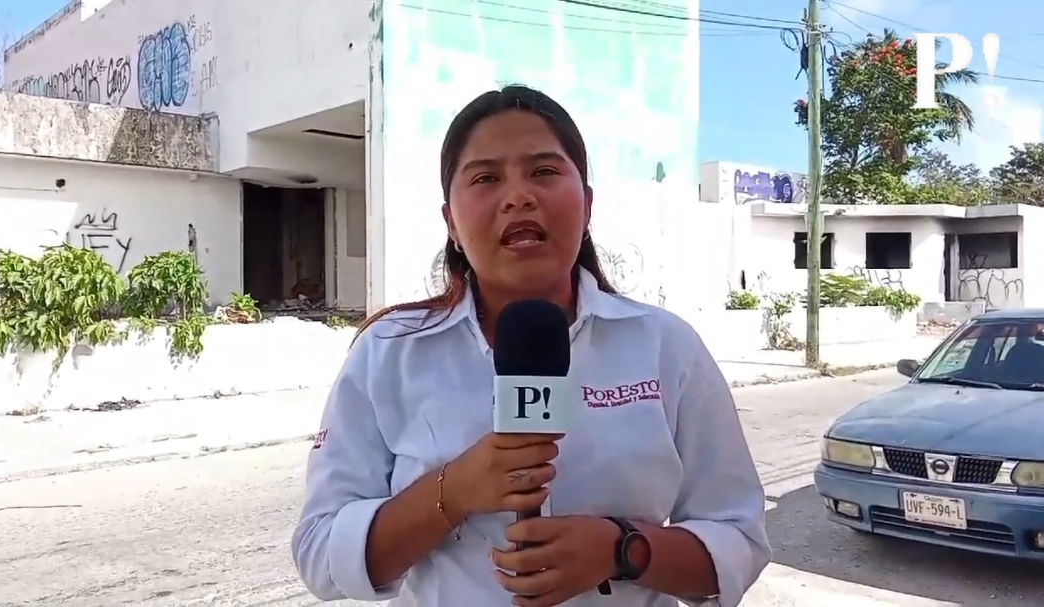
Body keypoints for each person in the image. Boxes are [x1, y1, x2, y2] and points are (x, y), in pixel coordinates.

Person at [291, 85, 771, 607]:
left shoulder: (665, 346)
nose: (518, 196)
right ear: (452, 221)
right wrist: (452, 492)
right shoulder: (388, 353)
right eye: (486, 178)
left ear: (586, 205)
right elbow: (321, 557)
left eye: (544, 172)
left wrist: (623, 550)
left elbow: (739, 542)